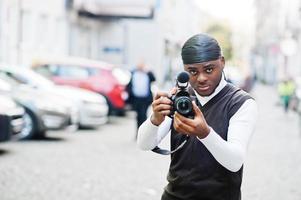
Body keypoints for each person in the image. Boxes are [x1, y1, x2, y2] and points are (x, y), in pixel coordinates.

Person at [137, 33, 258, 200]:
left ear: (222, 62)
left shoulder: (240, 102)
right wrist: (155, 120)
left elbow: (235, 161)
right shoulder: (180, 98)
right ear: (185, 70)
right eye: (192, 71)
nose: (201, 78)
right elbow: (144, 144)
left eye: (209, 69)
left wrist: (204, 133)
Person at [126, 60, 156, 139]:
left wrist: (148, 71)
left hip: (145, 99)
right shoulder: (134, 73)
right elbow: (129, 85)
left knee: (143, 116)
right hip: (136, 98)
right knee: (138, 116)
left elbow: (154, 79)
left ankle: (143, 134)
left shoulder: (148, 74)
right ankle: (138, 133)